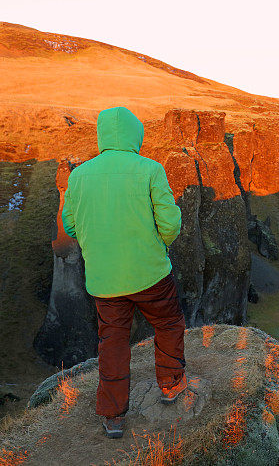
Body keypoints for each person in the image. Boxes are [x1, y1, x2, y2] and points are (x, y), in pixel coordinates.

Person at [61, 106, 187, 439]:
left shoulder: (79, 175)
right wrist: (158, 244)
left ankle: (113, 416)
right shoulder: (150, 169)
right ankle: (171, 385)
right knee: (168, 323)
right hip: (150, 273)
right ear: (135, 134)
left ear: (103, 135)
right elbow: (170, 223)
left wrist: (99, 243)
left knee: (113, 342)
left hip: (104, 280)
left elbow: (71, 225)